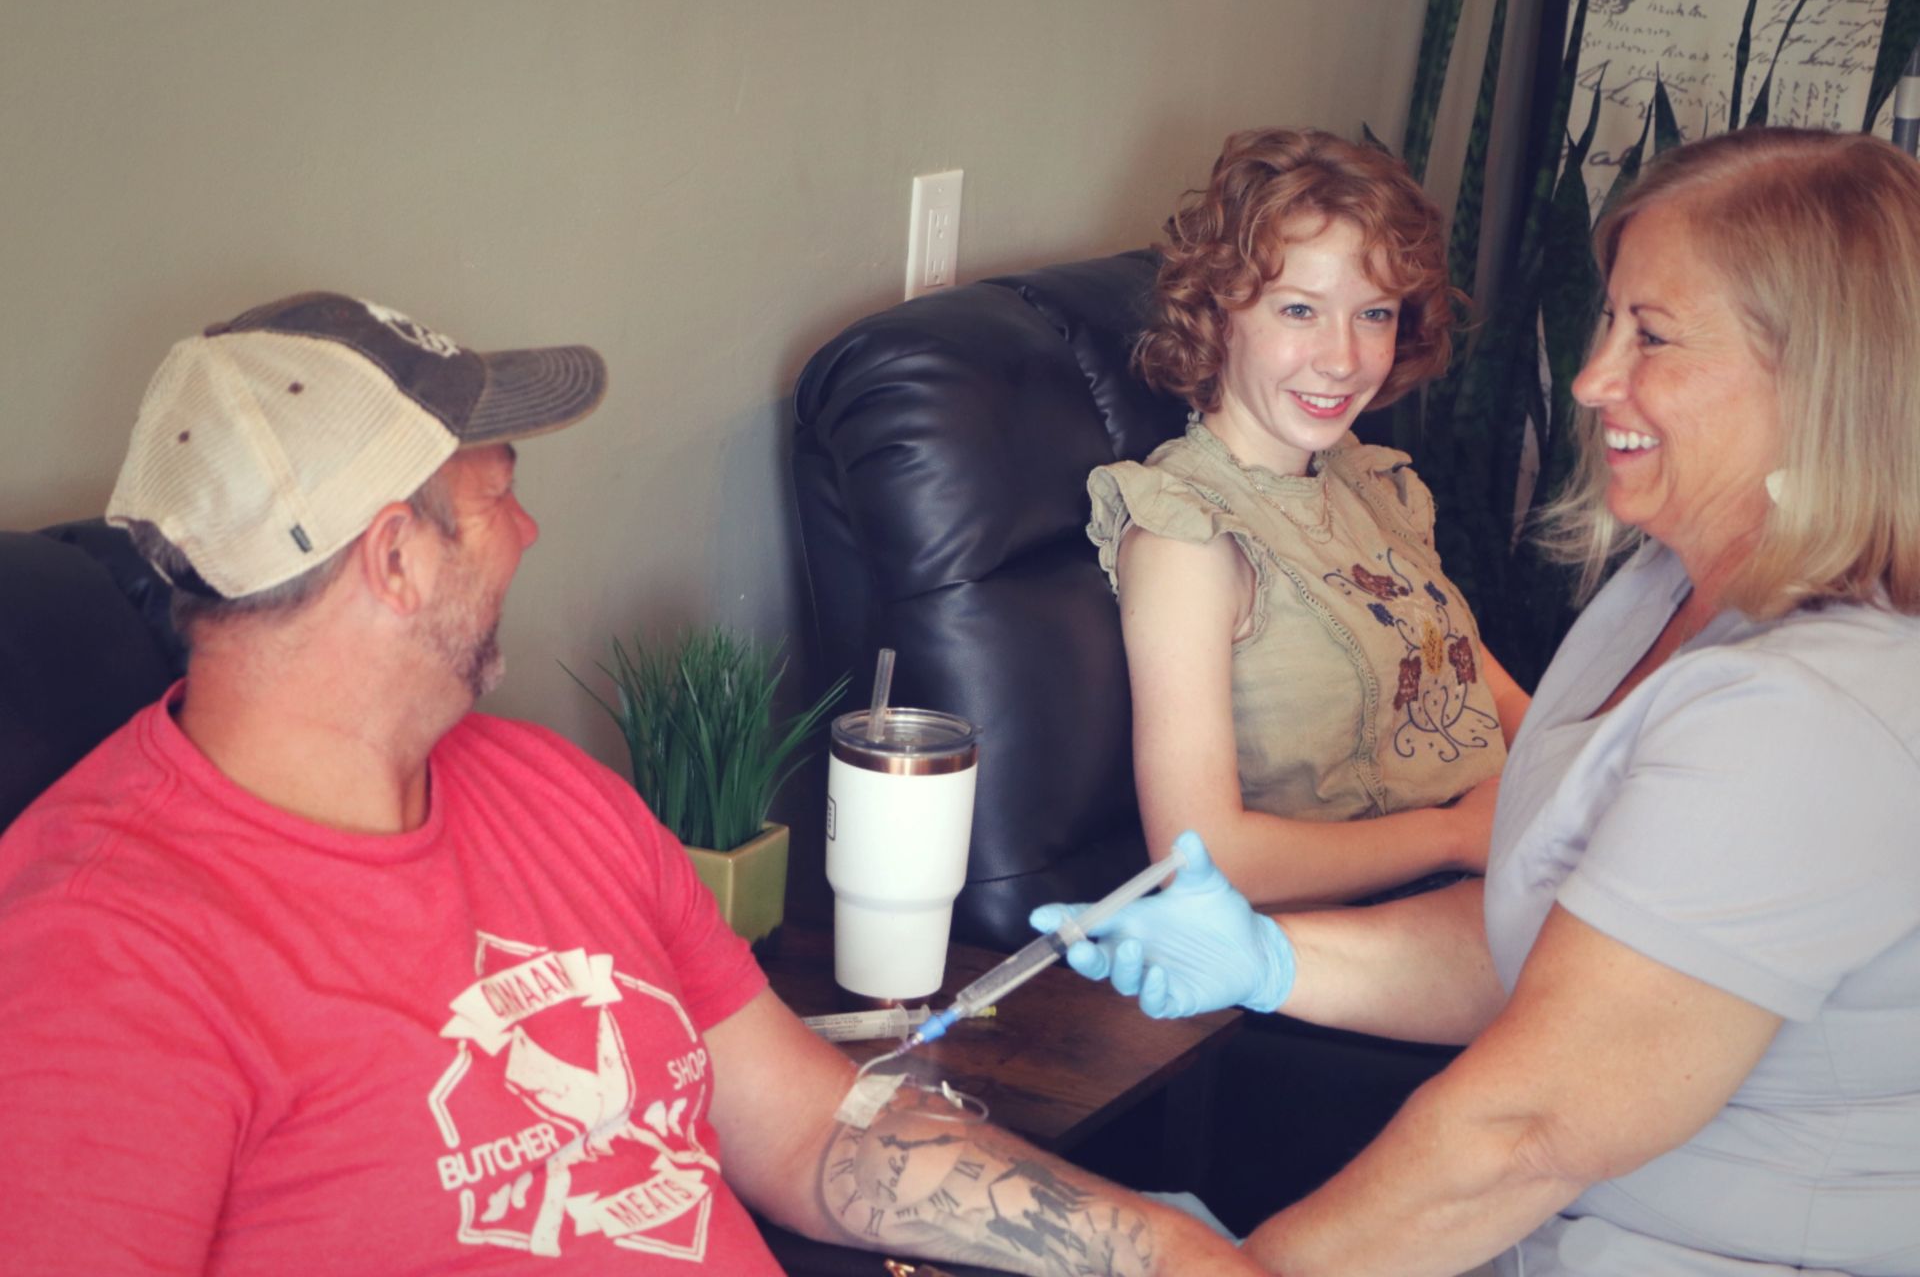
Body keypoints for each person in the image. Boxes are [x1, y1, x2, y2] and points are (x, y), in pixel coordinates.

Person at [0, 292, 1258, 1276]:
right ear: (395, 556)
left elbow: (808, 1126)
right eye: (498, 498)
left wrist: (1162, 1247)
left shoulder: (543, 788)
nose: (531, 533)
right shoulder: (99, 957)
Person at [1038, 125, 1920, 1275]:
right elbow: (1567, 936)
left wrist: (1247, 1268)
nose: (1593, 378)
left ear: (1821, 374)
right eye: (1606, 321)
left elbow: (1525, 1126)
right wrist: (1269, 956)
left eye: (1649, 334)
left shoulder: (1809, 716)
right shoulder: (1658, 588)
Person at [1089, 128, 1527, 909]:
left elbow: (1482, 691)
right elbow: (1201, 858)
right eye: (1300, 310)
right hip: (1382, 921)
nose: (1343, 358)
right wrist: (1460, 834)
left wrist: (1603, 778)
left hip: (1513, 862)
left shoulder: (1365, 483)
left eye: (1375, 315)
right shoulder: (1187, 536)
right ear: (1218, 312)